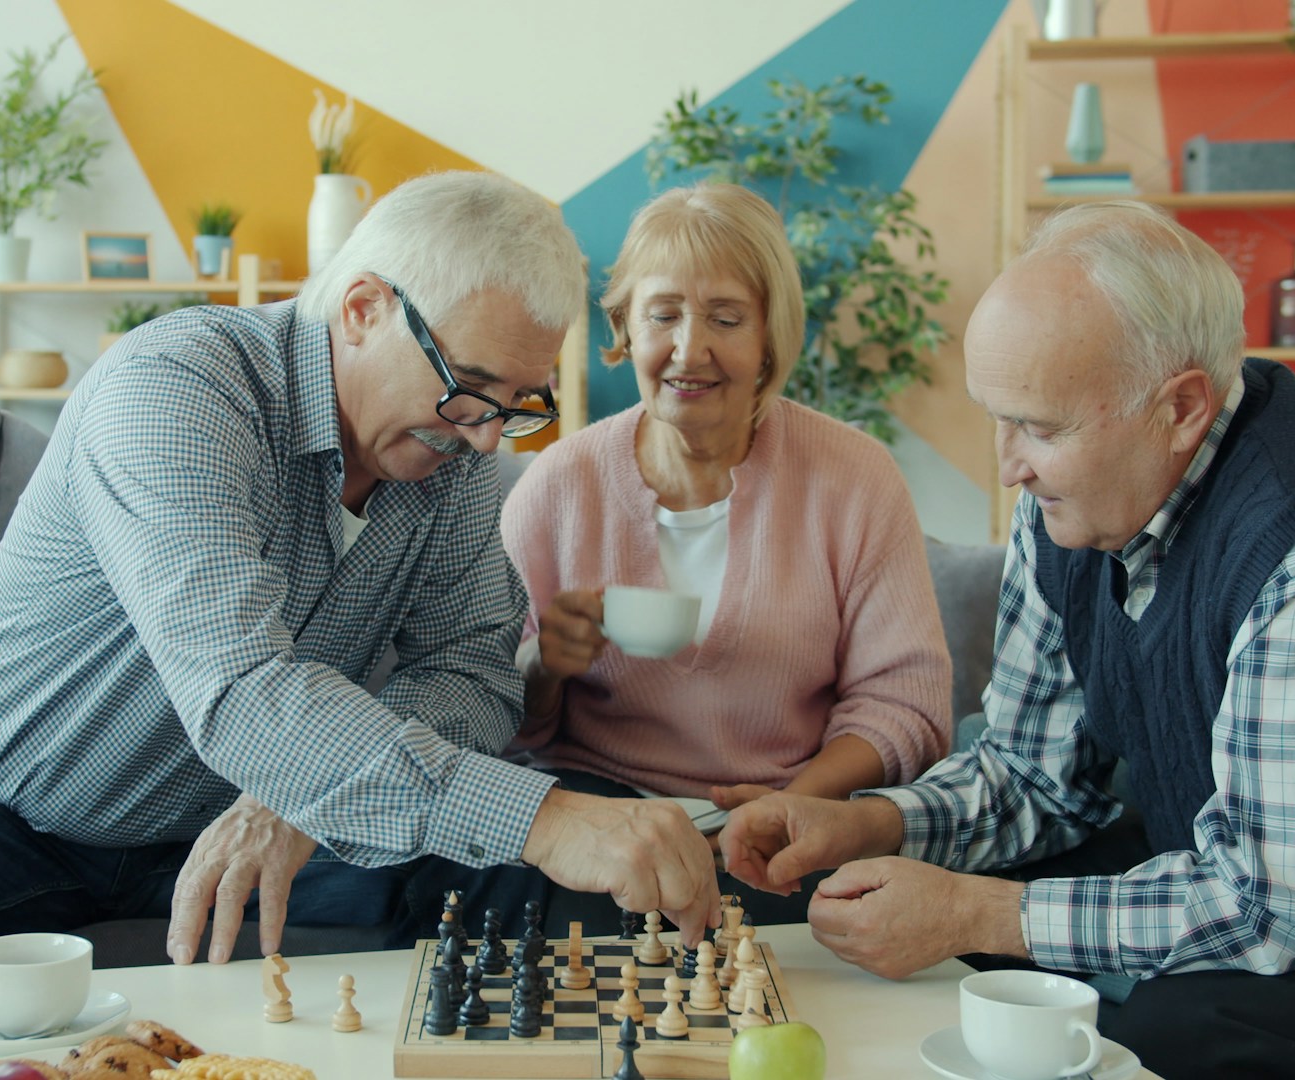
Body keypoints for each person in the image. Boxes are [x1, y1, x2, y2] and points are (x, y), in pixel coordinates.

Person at [0, 171, 722, 1079]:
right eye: (471, 388)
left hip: (241, 815)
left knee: (515, 880)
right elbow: (244, 692)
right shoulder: (180, 388)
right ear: (363, 309)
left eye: (518, 406)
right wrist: (542, 818)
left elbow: (472, 674)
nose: (482, 435)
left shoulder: (454, 459)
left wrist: (298, 801)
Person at [718, 200, 1295, 1078]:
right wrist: (868, 825)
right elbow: (1031, 774)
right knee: (956, 968)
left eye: (1041, 428)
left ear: (1180, 408)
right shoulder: (1066, 503)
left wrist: (977, 914)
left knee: (1173, 1030)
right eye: (999, 417)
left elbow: (1281, 907)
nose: (1007, 464)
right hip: (1215, 864)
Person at [406, 182, 952, 936]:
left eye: (725, 318)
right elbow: (491, 716)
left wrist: (793, 803)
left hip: (787, 830)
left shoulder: (853, 479)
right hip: (600, 826)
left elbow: (908, 709)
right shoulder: (560, 486)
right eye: (663, 315)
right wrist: (546, 666)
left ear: (769, 337)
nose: (689, 350)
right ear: (625, 326)